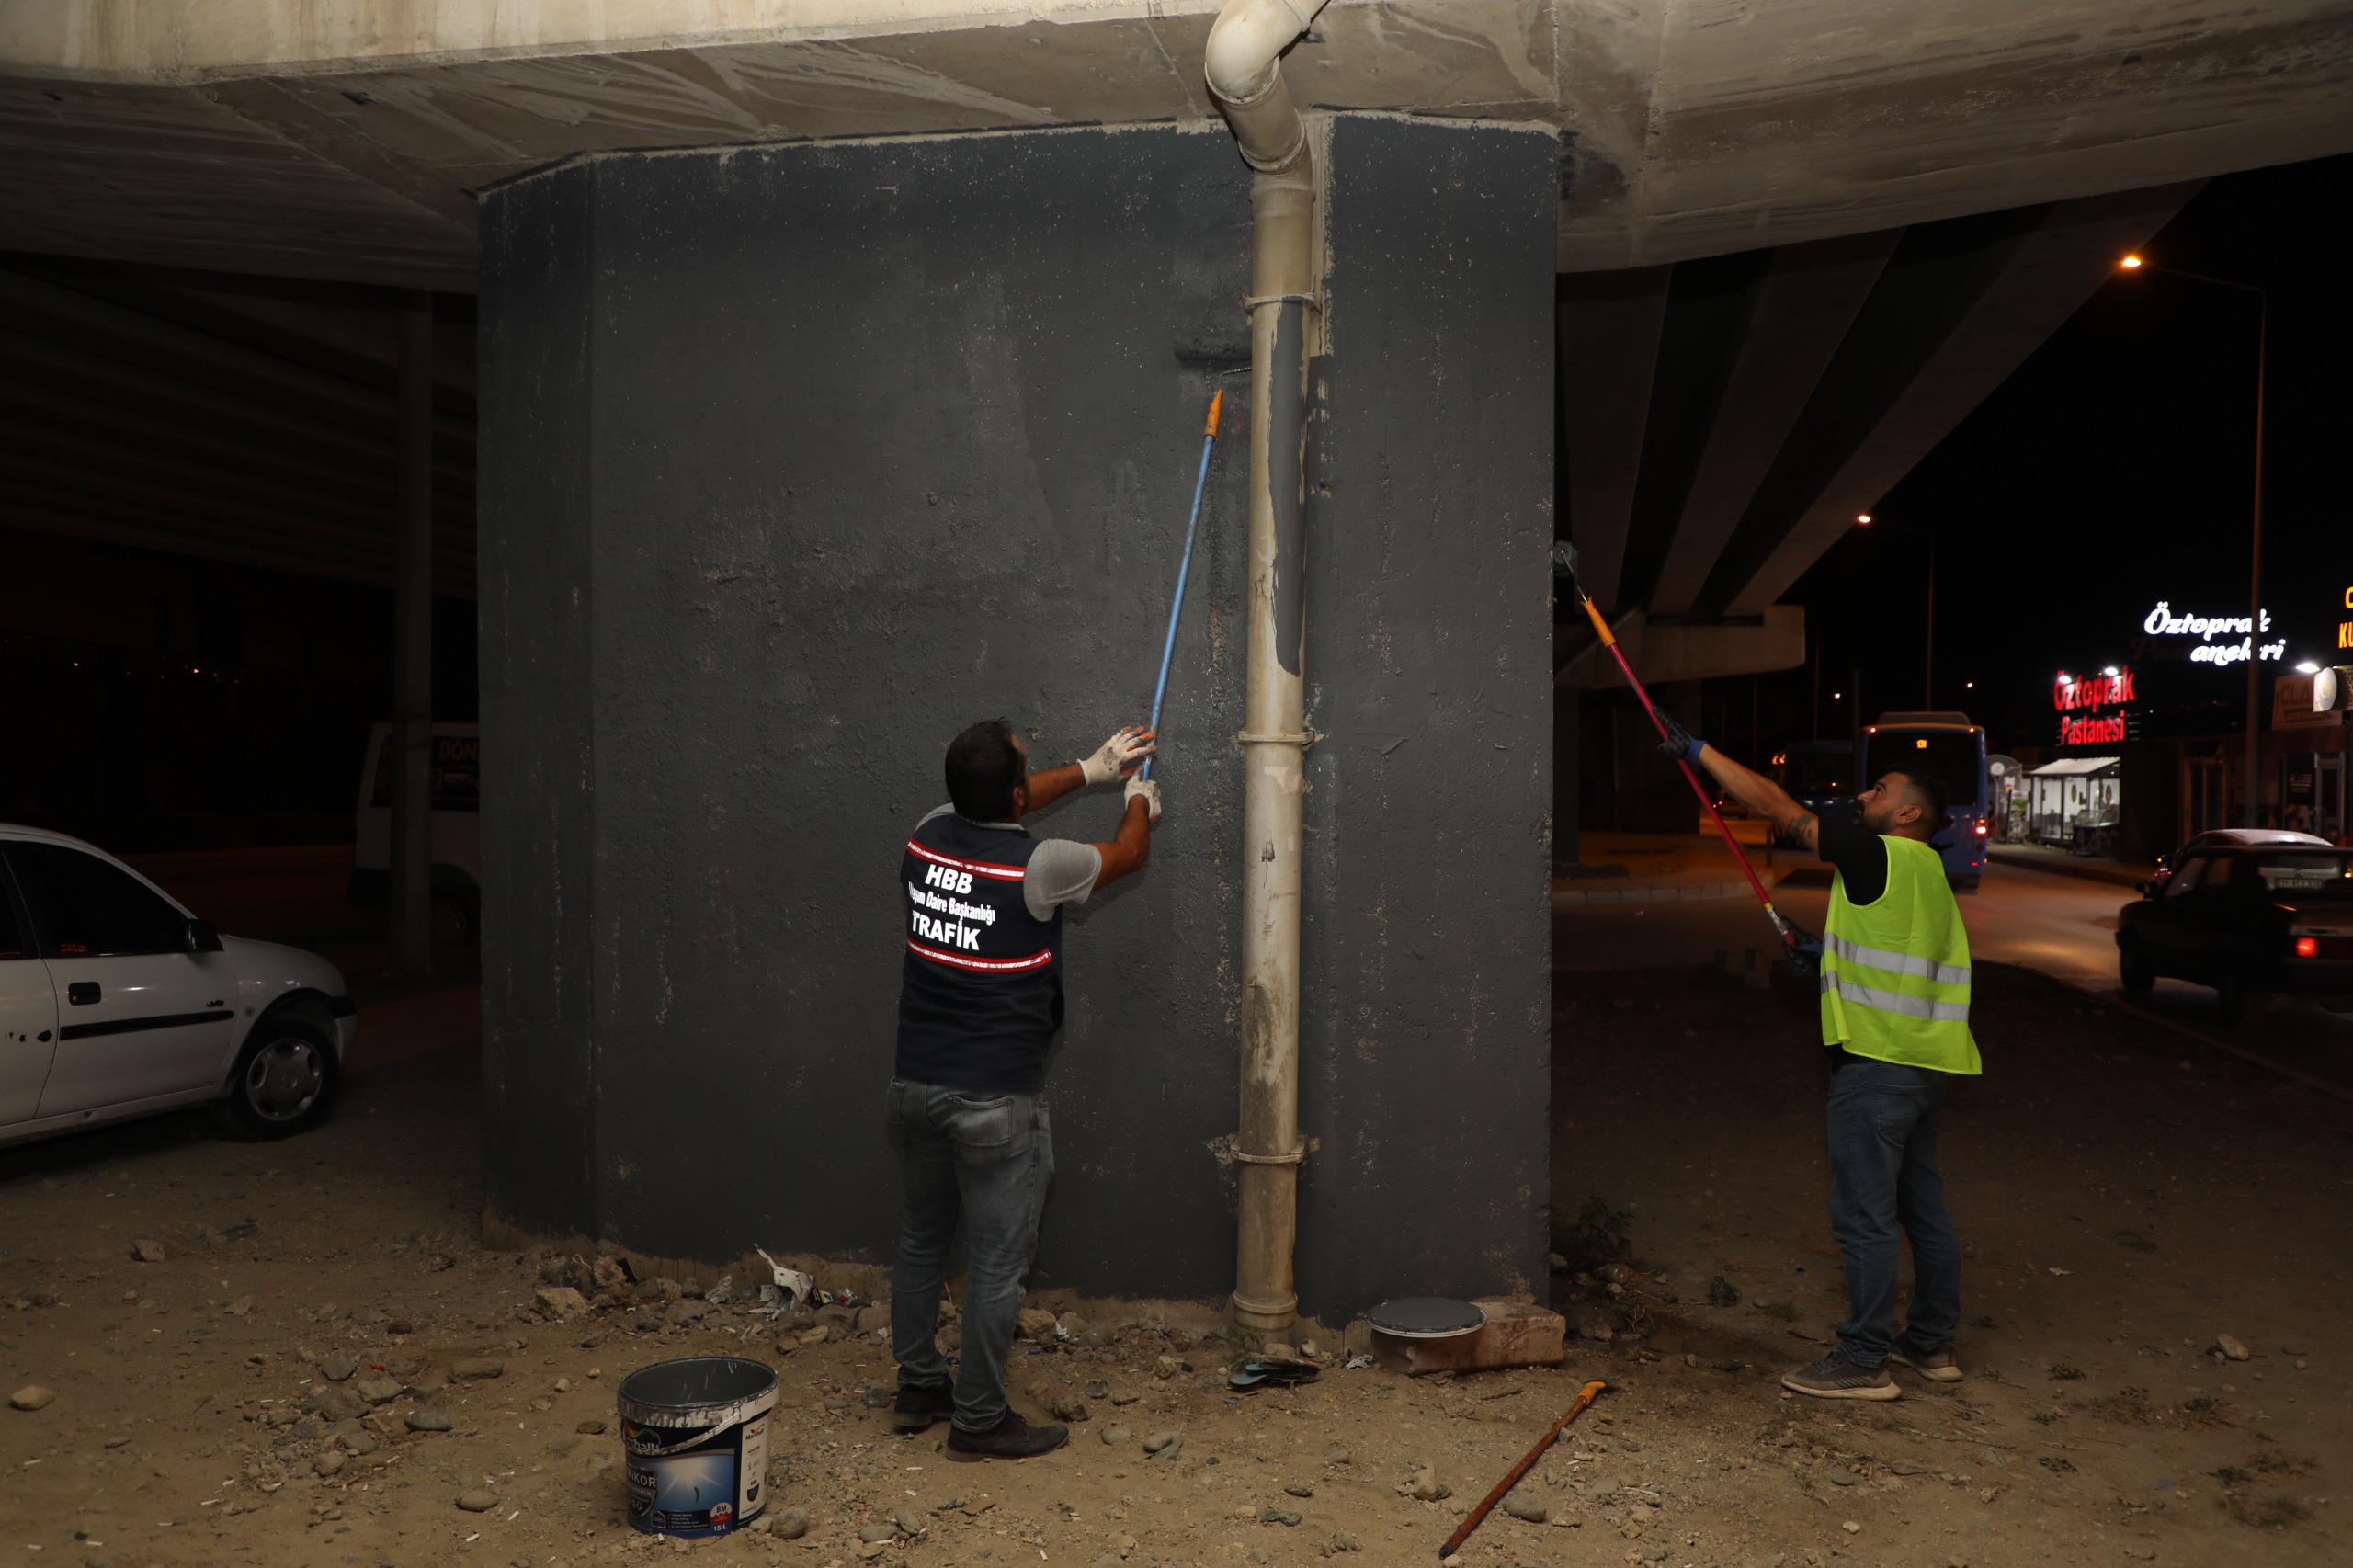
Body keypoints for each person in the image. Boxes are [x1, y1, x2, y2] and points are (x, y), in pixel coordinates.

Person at [1657, 712, 1981, 1401]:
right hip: (1926, 1068)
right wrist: (1823, 955)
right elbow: (1898, 957)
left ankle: (1864, 1360)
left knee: (1864, 1216)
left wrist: (1699, 751)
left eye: (1881, 789)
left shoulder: (1877, 854)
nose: (1865, 795)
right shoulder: (1928, 873)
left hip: (1875, 1069)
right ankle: (1931, 1344)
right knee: (1924, 1212)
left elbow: (1778, 810)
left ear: (1910, 812)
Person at [886, 718, 1161, 1459]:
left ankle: (918, 1387)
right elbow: (1128, 856)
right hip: (994, 1103)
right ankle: (977, 1420)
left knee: (922, 1239)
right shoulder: (1040, 865)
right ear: (1013, 795)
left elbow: (997, 799)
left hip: (915, 1086)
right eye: (1028, 776)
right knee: (998, 1267)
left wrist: (1087, 768)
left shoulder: (925, 834)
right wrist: (1136, 800)